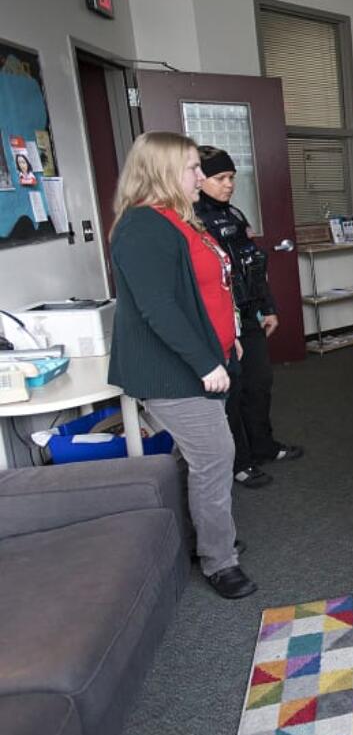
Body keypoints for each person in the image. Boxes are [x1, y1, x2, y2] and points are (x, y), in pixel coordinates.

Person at [108, 131, 257, 599]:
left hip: (208, 358)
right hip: (176, 371)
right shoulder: (141, 227)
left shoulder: (179, 219)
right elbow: (158, 307)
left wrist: (229, 340)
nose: (201, 176)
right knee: (214, 458)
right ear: (161, 171)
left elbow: (212, 287)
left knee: (205, 456)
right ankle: (219, 561)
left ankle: (209, 538)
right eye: (192, 168)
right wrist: (204, 362)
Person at [194, 146, 302, 489]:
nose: (229, 185)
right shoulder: (192, 222)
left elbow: (253, 268)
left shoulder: (235, 216)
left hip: (249, 315)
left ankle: (263, 446)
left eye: (231, 178)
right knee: (233, 393)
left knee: (259, 384)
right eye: (220, 178)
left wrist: (268, 306)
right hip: (222, 321)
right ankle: (239, 462)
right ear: (199, 179)